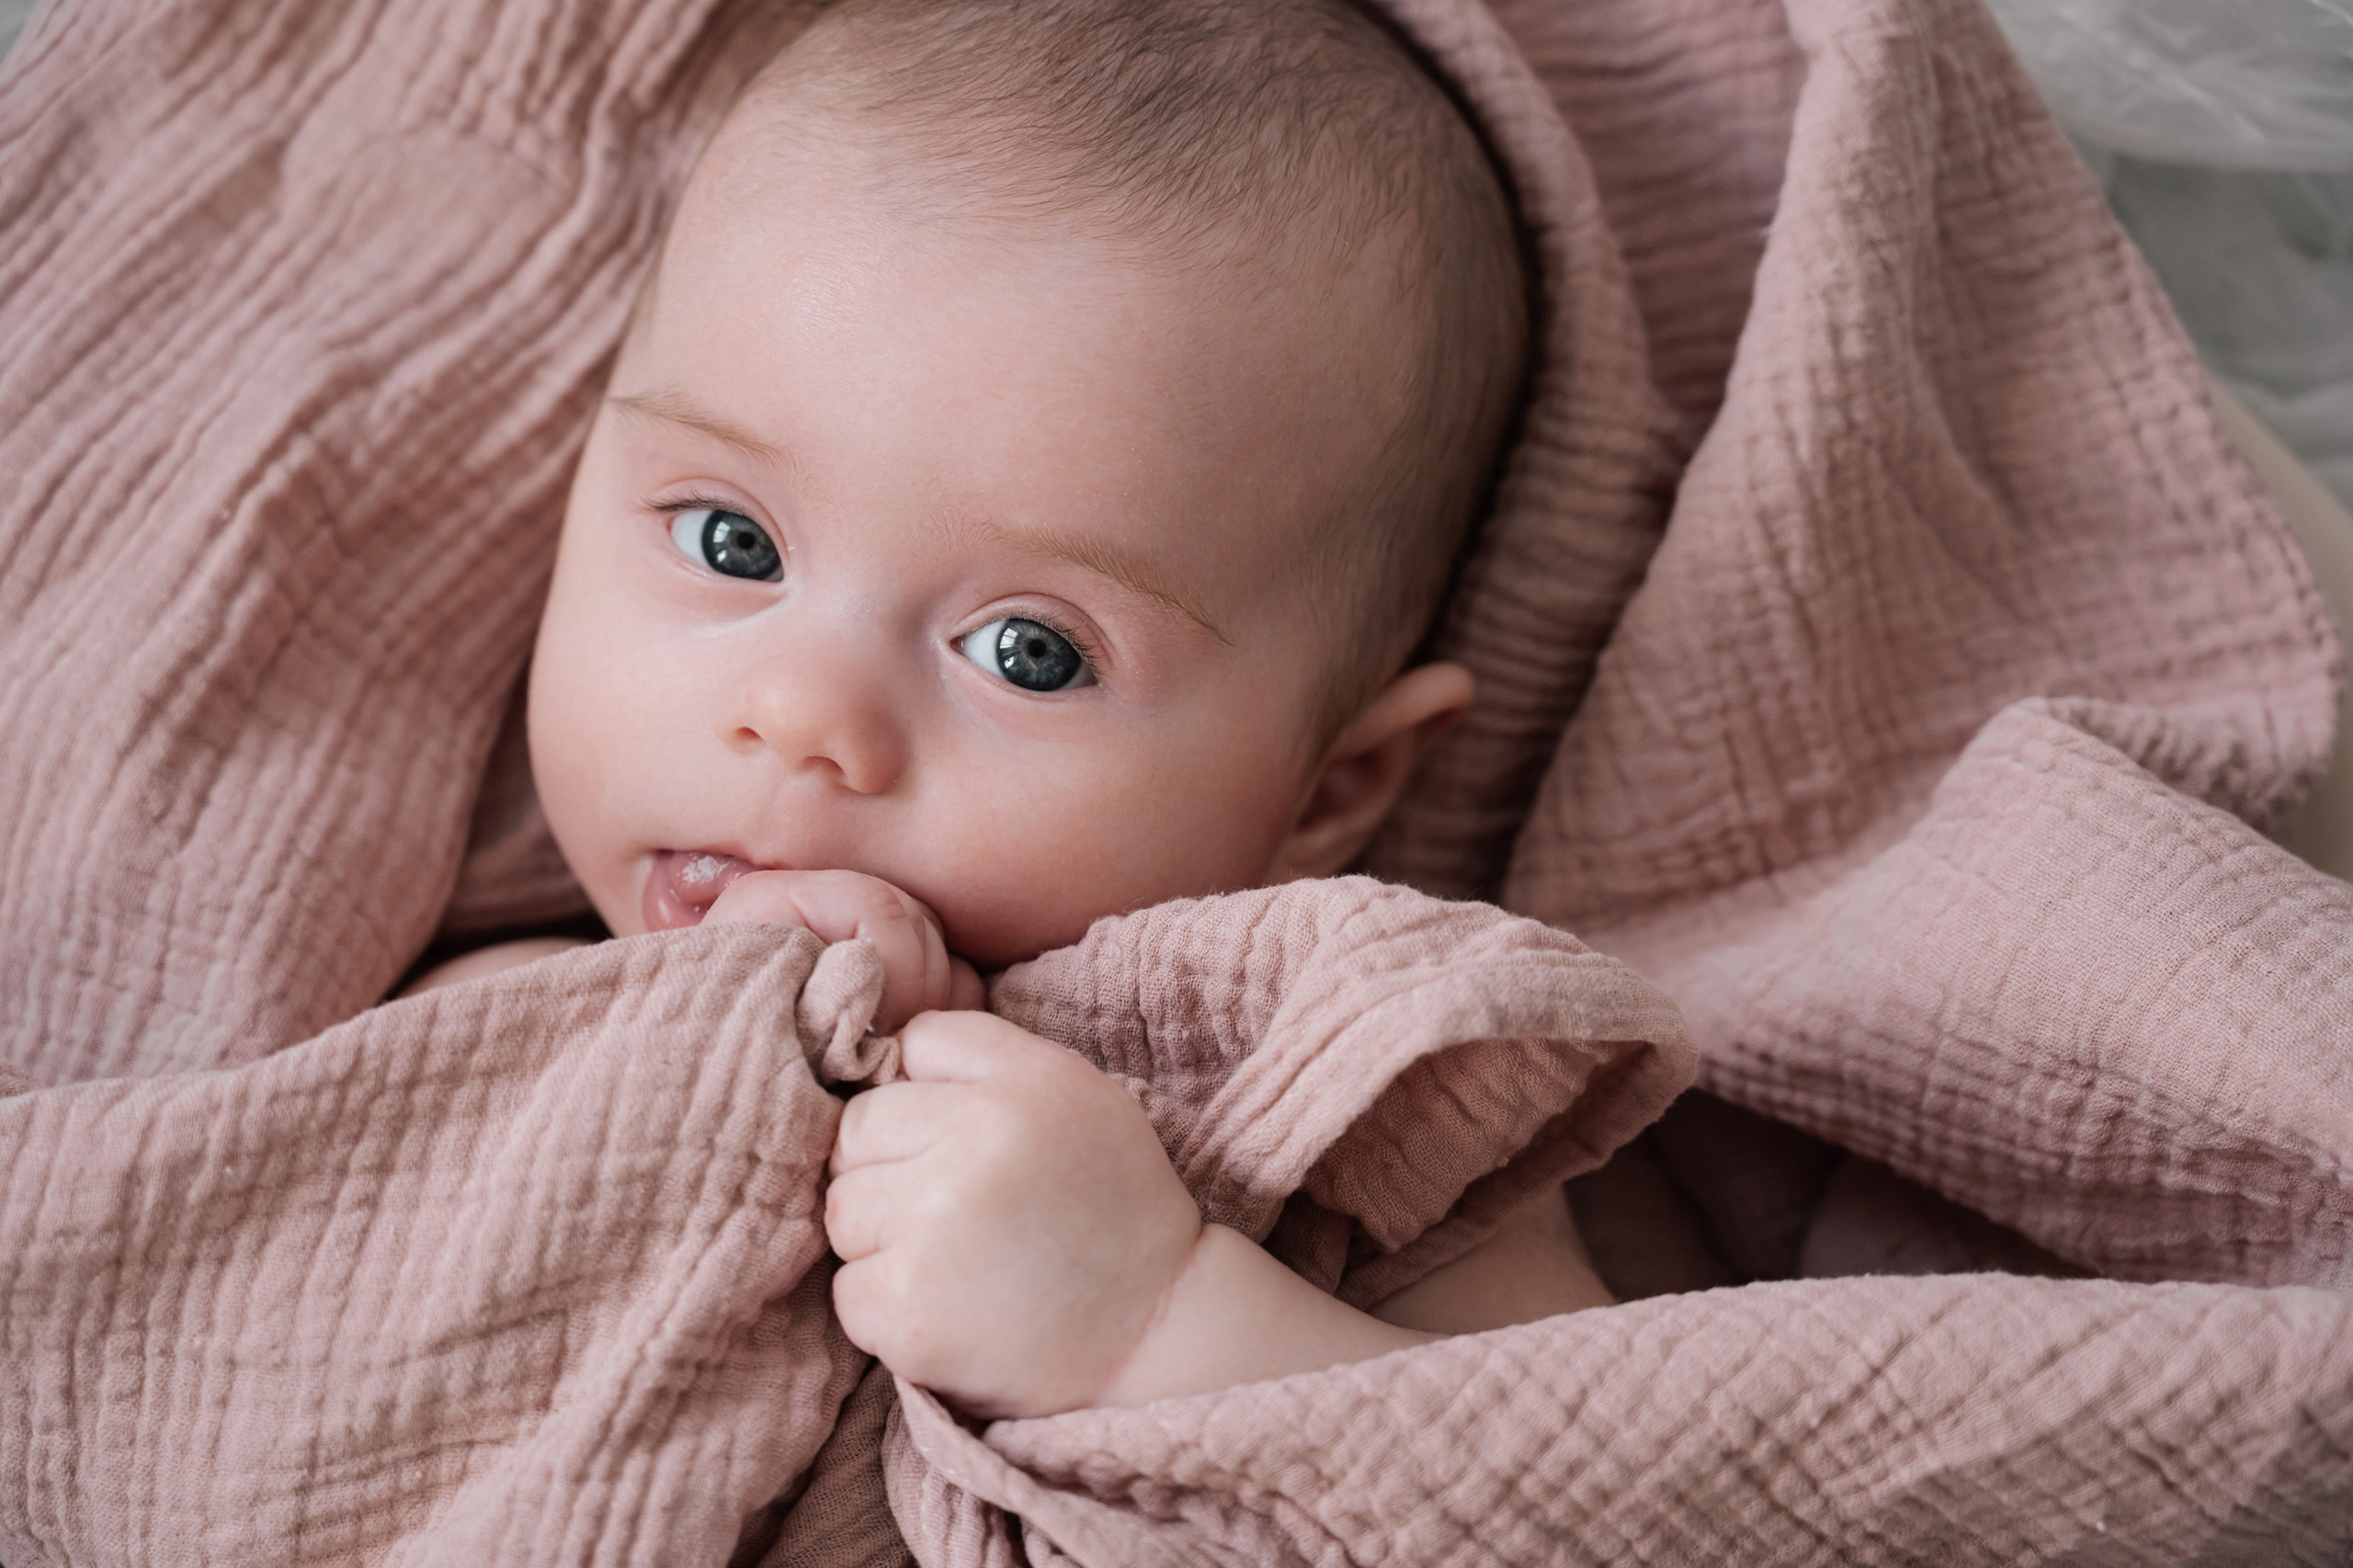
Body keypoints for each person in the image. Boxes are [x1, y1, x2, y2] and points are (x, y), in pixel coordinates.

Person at [412, 0, 1613, 1422]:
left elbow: (1581, 1479)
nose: (804, 713)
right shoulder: (470, 1027)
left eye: (1029, 651)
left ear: (1332, 792)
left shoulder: (1354, 1100)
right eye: (733, 542)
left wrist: (1159, 1325)